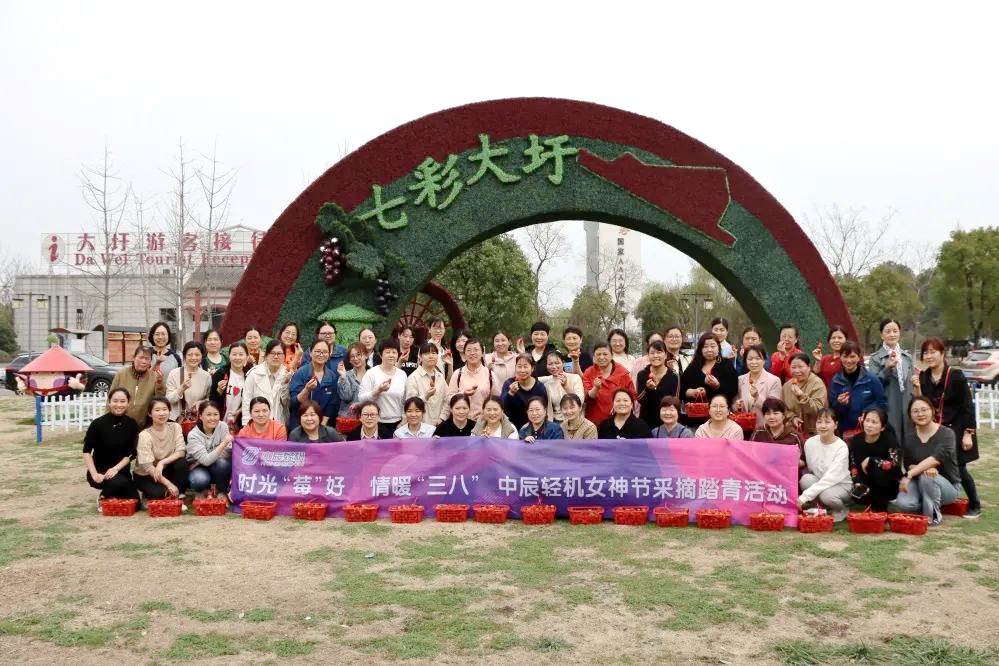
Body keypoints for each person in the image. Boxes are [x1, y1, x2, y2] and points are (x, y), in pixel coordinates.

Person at [912, 337, 980, 517]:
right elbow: (922, 403)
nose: (929, 356)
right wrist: (917, 388)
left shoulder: (956, 376)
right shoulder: (923, 377)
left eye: (933, 352)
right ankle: (938, 500)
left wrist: (968, 433)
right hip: (935, 429)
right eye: (926, 353)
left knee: (959, 467)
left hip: (956, 428)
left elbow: (967, 405)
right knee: (935, 465)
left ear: (942, 354)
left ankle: (975, 504)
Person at [896, 396, 962, 525]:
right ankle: (927, 502)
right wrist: (924, 469)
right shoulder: (909, 437)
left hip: (947, 486)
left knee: (929, 478)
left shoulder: (947, 434)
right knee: (904, 504)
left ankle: (933, 518)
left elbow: (935, 459)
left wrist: (911, 474)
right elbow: (909, 465)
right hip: (918, 481)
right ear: (910, 415)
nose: (920, 414)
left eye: (924, 410)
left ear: (932, 410)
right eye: (915, 411)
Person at [83, 388, 139, 503]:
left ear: (128, 403)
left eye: (122, 401)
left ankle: (113, 493)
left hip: (120, 471)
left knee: (135, 500)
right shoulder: (97, 424)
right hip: (100, 471)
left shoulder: (131, 424)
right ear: (109, 402)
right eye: (115, 401)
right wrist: (94, 474)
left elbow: (131, 453)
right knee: (118, 483)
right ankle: (103, 497)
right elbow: (86, 451)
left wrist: (115, 469)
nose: (119, 405)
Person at [798, 409, 852, 521]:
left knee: (826, 494)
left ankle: (841, 510)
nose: (823, 426)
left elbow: (830, 478)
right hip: (821, 481)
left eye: (827, 422)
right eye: (819, 422)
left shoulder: (841, 447)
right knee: (806, 479)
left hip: (840, 485)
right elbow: (810, 468)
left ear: (835, 425)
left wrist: (804, 497)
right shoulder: (810, 443)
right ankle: (818, 507)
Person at [866, 318, 914, 445]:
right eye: (888, 331)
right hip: (889, 406)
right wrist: (887, 368)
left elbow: (912, 384)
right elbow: (874, 385)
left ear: (899, 333)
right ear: (881, 335)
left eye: (895, 331)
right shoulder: (875, 358)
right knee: (892, 441)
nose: (892, 334)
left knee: (909, 440)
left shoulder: (907, 357)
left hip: (907, 405)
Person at [848, 408, 901, 512]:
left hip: (888, 483)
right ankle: (872, 506)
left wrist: (872, 460)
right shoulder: (856, 440)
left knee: (875, 468)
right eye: (867, 420)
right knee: (857, 496)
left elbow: (894, 465)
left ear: (882, 427)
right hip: (865, 482)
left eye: (874, 422)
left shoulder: (889, 439)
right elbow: (853, 465)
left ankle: (881, 511)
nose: (869, 425)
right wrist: (856, 481)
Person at [133, 396, 187, 500]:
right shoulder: (144, 435)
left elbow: (181, 452)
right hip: (146, 474)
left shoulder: (175, 427)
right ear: (150, 413)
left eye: (164, 409)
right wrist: (169, 484)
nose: (161, 413)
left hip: (164, 469)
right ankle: (151, 493)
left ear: (169, 411)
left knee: (182, 463)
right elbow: (148, 467)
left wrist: (162, 463)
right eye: (157, 410)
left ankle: (178, 495)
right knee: (159, 494)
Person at [829, 341, 887, 437]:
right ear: (840, 357)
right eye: (845, 356)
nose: (848, 360)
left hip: (867, 431)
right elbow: (832, 409)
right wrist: (840, 403)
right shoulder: (836, 381)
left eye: (852, 356)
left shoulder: (871, 379)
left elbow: (882, 404)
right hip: (845, 432)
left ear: (859, 357)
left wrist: (867, 413)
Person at [681, 333, 738, 425]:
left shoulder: (726, 365)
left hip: (720, 417)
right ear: (700, 349)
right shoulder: (693, 366)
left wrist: (717, 386)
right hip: (695, 419)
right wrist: (692, 392)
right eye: (705, 346)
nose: (709, 349)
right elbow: (682, 390)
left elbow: (733, 390)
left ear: (718, 348)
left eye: (713, 346)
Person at [441, 338, 500, 424]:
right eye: (468, 350)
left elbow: (497, 401)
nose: (472, 353)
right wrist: (463, 393)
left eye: (476, 350)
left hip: (484, 423)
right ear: (464, 354)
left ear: (482, 353)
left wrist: (485, 414)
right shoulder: (458, 374)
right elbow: (449, 399)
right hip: (461, 423)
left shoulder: (490, 375)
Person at [185, 400, 233, 499]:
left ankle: (222, 491)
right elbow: (205, 461)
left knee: (223, 463)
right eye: (208, 415)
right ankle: (201, 491)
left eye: (215, 414)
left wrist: (210, 455)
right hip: (198, 466)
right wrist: (223, 444)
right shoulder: (193, 435)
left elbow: (227, 453)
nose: (213, 418)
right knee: (199, 479)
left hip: (216, 464)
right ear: (200, 416)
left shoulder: (223, 426)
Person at [359, 338, 407, 433]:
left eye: (394, 352)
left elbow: (405, 400)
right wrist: (378, 390)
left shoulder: (402, 374)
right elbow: (361, 399)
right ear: (381, 355)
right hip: (376, 423)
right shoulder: (371, 373)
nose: (391, 355)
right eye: (387, 352)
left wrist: (403, 422)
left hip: (398, 423)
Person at [289, 339, 338, 432]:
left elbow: (332, 404)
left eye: (325, 352)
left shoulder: (332, 376)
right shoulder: (301, 373)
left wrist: (322, 425)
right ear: (310, 353)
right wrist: (306, 390)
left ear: (329, 355)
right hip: (300, 424)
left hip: (322, 424)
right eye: (318, 351)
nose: (321, 354)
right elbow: (294, 402)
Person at [582, 342, 636, 425]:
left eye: (605, 354)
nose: (601, 357)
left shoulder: (622, 373)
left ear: (611, 355)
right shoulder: (589, 372)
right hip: (594, 421)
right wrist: (596, 388)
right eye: (598, 354)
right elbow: (586, 397)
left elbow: (632, 396)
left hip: (619, 421)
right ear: (594, 357)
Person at [242, 340, 291, 427]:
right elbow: (246, 400)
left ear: (284, 356)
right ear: (266, 355)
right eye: (272, 353)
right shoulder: (254, 374)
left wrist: (285, 384)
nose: (276, 356)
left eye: (279, 354)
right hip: (256, 424)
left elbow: (287, 404)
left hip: (278, 424)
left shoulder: (288, 374)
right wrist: (246, 424)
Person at [735, 344, 782, 429]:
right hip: (744, 427)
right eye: (750, 359)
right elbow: (735, 403)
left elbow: (774, 408)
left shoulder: (774, 381)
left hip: (765, 428)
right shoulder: (741, 379)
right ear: (745, 361)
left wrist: (757, 397)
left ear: (764, 361)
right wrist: (737, 406)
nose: (754, 362)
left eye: (757, 358)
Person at [635, 340, 681, 427]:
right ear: (648, 356)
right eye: (652, 353)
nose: (655, 356)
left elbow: (675, 402)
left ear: (665, 355)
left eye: (659, 352)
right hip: (646, 422)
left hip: (666, 423)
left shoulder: (674, 376)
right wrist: (648, 389)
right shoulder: (642, 374)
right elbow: (640, 399)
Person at [782, 352, 828, 436]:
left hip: (814, 432)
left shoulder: (817, 383)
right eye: (793, 367)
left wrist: (802, 396)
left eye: (800, 367)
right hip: (793, 432)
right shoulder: (786, 386)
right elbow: (783, 408)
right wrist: (792, 417)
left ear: (809, 367)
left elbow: (817, 410)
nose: (797, 371)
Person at [165, 341, 212, 422]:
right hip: (177, 421)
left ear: (202, 356)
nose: (193, 358)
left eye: (197, 355)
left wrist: (201, 402)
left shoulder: (206, 376)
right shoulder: (174, 374)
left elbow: (208, 398)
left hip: (197, 420)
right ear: (184, 356)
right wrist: (181, 389)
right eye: (190, 355)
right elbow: (168, 399)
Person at [110, 346, 157, 425]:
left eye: (147, 359)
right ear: (134, 358)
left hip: (144, 424)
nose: (144, 361)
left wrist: (160, 383)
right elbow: (110, 398)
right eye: (141, 358)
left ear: (150, 362)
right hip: (121, 422)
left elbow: (159, 398)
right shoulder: (121, 374)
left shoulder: (154, 377)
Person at [209, 341, 249, 432]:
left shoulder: (249, 375)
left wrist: (239, 412)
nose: (237, 357)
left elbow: (251, 401)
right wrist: (219, 391)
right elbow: (212, 400)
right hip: (219, 424)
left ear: (247, 356)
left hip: (240, 425)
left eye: (241, 354)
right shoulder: (220, 374)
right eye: (234, 354)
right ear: (229, 356)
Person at [405, 342, 448, 425]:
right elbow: (410, 405)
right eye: (427, 353)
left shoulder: (440, 376)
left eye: (434, 353)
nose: (431, 356)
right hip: (421, 426)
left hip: (440, 425)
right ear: (420, 357)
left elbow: (447, 400)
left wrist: (442, 418)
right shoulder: (413, 378)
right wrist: (425, 396)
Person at [502, 355, 549, 429]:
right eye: (519, 366)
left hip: (535, 428)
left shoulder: (540, 387)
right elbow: (503, 409)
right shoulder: (509, 384)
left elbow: (544, 411)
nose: (522, 370)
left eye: (525, 367)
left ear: (532, 368)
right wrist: (510, 393)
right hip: (512, 428)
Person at [540, 350, 585, 423]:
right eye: (550, 364)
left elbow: (580, 401)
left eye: (557, 363)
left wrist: (566, 386)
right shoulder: (547, 384)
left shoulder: (575, 378)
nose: (554, 367)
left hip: (575, 421)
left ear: (563, 363)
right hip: (557, 422)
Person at [336, 342, 367, 417]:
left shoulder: (372, 374)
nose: (355, 359)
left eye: (358, 355)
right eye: (352, 356)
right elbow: (346, 397)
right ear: (349, 360)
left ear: (366, 355)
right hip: (347, 419)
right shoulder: (345, 375)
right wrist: (344, 377)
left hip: (366, 417)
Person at [149, 321, 181, 388]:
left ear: (168, 336)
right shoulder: (146, 354)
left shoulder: (175, 357)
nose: (160, 337)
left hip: (169, 393)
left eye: (163, 334)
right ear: (152, 336)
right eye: (157, 334)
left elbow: (179, 380)